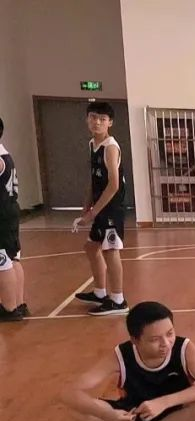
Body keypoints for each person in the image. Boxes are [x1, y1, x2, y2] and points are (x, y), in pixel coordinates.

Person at [62, 302, 195, 421]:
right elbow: (68, 392)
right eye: (155, 339)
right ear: (135, 340)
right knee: (78, 410)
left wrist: (164, 402)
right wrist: (107, 414)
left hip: (176, 418)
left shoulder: (183, 348)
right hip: (132, 416)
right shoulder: (121, 355)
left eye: (170, 333)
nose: (166, 343)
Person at [74, 102, 129, 316]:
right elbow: (93, 179)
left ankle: (118, 300)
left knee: (110, 251)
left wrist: (93, 213)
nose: (97, 122)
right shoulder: (93, 144)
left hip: (111, 208)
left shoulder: (110, 148)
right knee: (91, 247)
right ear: (87, 119)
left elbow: (113, 185)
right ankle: (99, 292)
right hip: (99, 206)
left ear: (110, 123)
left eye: (102, 119)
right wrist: (85, 206)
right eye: (93, 117)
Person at [0, 116, 26, 322]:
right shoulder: (5, 153)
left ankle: (9, 308)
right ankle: (18, 303)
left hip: (2, 214)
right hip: (10, 211)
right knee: (13, 258)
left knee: (2, 260)